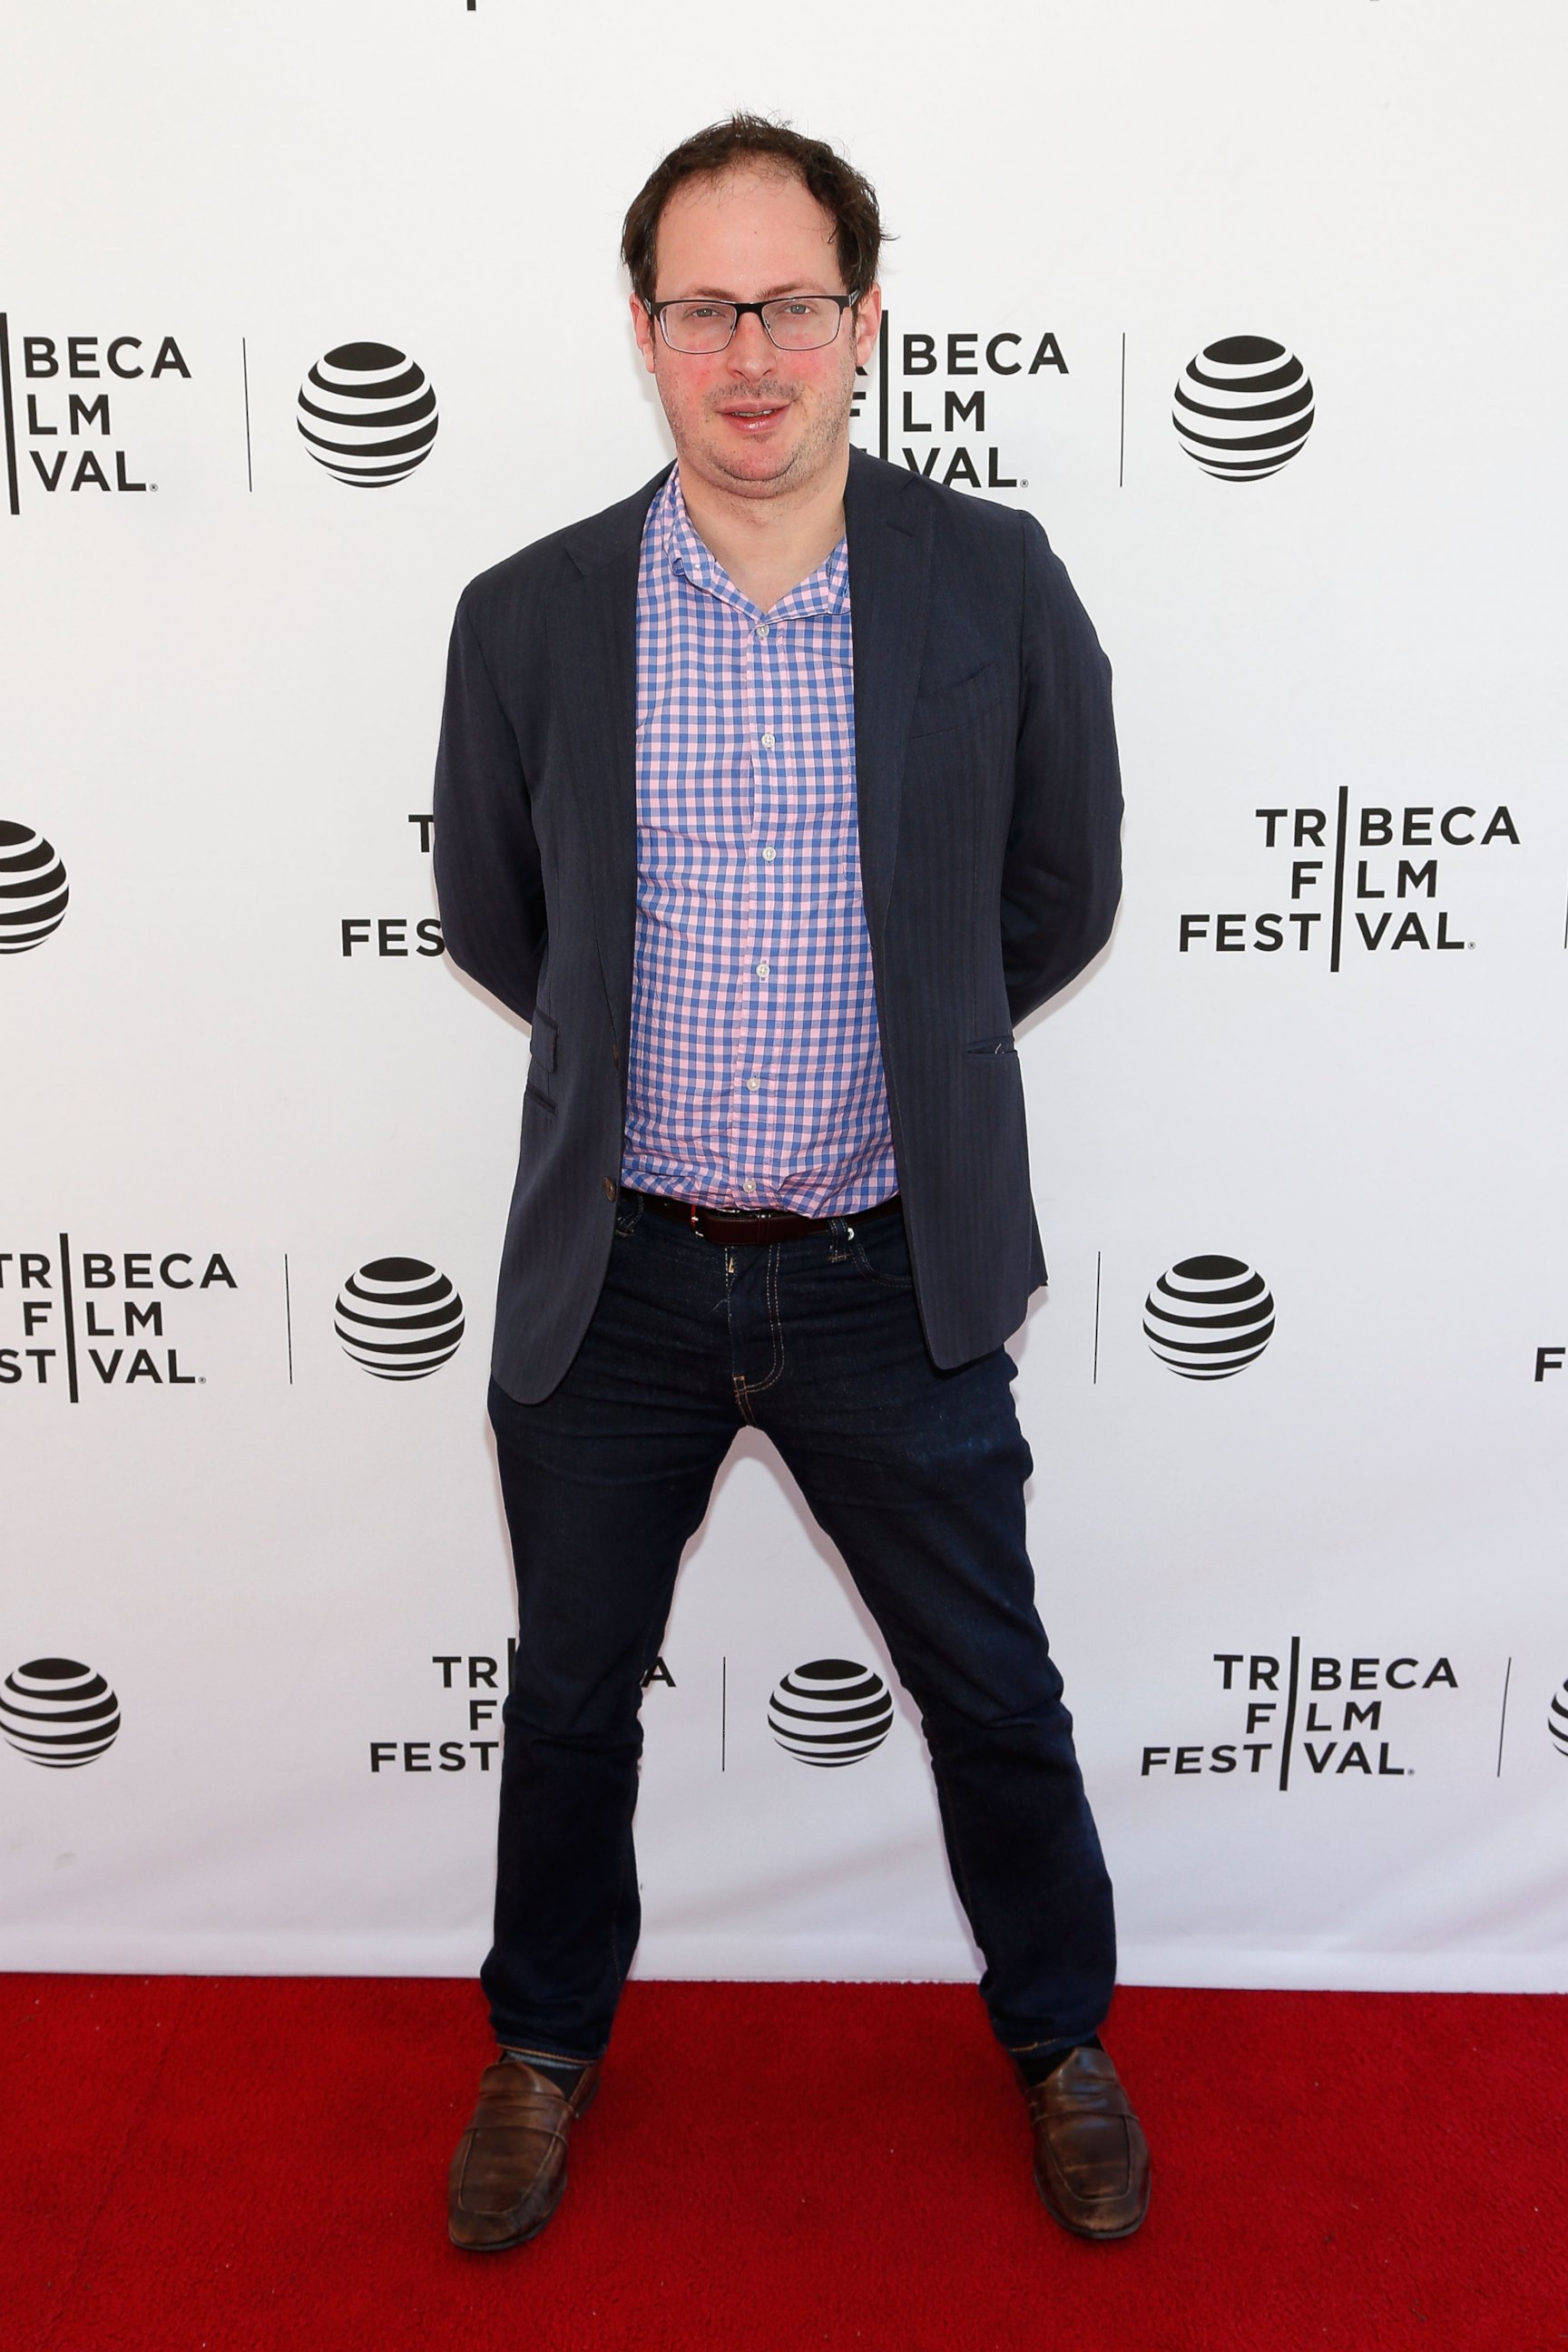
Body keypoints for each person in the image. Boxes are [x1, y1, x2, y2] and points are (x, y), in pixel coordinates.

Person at [432, 113, 1146, 2252]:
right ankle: (544, 2049)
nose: (753, 354)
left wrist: (913, 1048)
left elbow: (1058, 889)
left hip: (885, 1277)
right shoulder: (528, 614)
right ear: (643, 329)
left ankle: (1063, 2038)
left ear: (862, 314)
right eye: (702, 307)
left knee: (995, 1690)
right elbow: (502, 915)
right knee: (567, 1705)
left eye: (795, 302)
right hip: (620, 1280)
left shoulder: (991, 583)